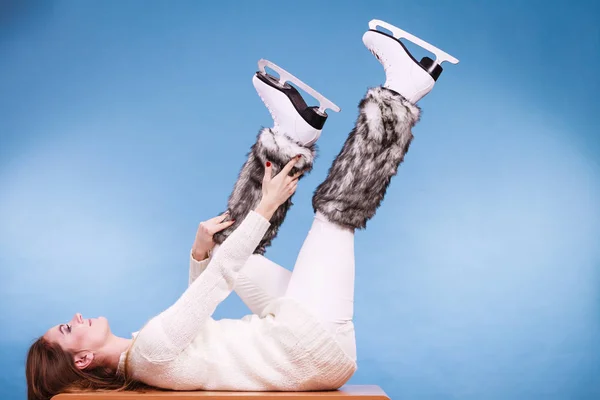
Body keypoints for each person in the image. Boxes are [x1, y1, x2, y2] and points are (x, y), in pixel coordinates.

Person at [26, 22, 444, 400]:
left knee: (224, 246)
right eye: (67, 328)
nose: (75, 317)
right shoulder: (148, 351)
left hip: (287, 337)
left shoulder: (144, 353)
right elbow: (215, 287)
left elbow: (201, 305)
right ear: (81, 360)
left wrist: (199, 255)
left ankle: (292, 137)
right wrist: (263, 207)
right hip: (310, 345)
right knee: (335, 213)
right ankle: (404, 90)